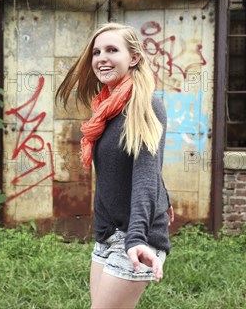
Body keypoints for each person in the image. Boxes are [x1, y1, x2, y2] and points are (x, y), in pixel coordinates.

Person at [56, 23, 174, 309]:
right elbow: (133, 165)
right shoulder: (106, 108)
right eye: (96, 52)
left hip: (136, 236)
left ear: (133, 57)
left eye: (112, 50)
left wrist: (136, 237)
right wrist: (165, 197)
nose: (101, 58)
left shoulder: (146, 105)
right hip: (109, 234)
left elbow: (146, 171)